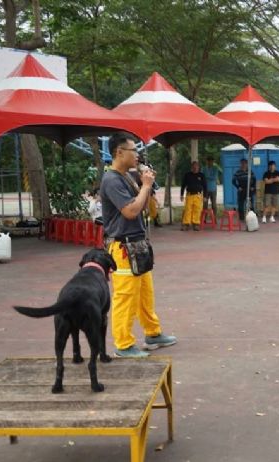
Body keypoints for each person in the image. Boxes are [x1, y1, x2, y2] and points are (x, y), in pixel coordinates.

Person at [99, 132, 176, 358]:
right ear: (119, 152)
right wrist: (145, 186)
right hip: (122, 247)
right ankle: (123, 344)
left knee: (145, 293)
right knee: (125, 296)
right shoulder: (112, 179)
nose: (137, 155)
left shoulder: (128, 177)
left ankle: (152, 332)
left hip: (138, 243)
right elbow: (131, 211)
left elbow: (147, 207)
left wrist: (148, 187)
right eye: (134, 151)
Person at [180, 161, 207, 231]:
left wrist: (205, 196)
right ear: (191, 167)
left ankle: (196, 224)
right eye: (194, 166)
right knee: (188, 210)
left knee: (197, 210)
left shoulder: (202, 175)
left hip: (198, 195)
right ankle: (186, 224)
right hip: (189, 195)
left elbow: (205, 186)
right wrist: (181, 194)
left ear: (198, 167)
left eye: (196, 166)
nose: (195, 168)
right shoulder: (187, 175)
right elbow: (183, 185)